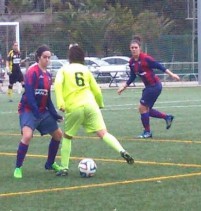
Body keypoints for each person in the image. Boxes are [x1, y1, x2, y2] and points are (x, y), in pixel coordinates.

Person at [54, 44, 134, 176]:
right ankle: (122, 150)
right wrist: (100, 103)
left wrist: (61, 103)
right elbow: (96, 89)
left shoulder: (64, 70)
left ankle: (64, 168)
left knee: (67, 137)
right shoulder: (86, 71)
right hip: (91, 105)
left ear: (69, 57)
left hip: (74, 106)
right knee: (103, 133)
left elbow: (57, 85)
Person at [14, 45, 64, 178]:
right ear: (38, 57)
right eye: (45, 57)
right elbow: (29, 94)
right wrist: (36, 113)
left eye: (49, 57)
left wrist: (54, 114)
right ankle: (18, 168)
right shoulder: (32, 71)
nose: (47, 59)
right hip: (28, 110)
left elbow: (47, 98)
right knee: (27, 136)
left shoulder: (48, 75)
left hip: (41, 111)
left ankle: (50, 163)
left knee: (58, 135)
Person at [117, 36, 180, 138]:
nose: (133, 49)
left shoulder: (146, 58)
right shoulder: (131, 62)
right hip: (149, 87)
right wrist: (124, 86)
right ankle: (167, 117)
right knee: (147, 110)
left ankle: (147, 132)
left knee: (142, 108)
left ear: (139, 48)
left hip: (154, 86)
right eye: (132, 48)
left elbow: (159, 66)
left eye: (135, 47)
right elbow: (133, 76)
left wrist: (172, 75)